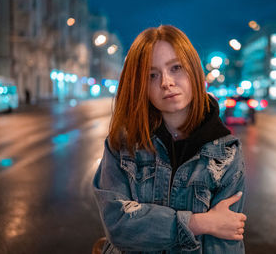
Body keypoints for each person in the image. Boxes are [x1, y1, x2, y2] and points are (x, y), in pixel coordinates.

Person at [93, 25, 247, 253]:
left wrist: (148, 221)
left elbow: (224, 238)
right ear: (140, 85)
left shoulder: (225, 153)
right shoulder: (123, 144)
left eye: (176, 68)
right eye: (152, 75)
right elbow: (119, 226)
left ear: (193, 70)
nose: (166, 82)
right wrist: (198, 223)